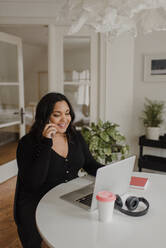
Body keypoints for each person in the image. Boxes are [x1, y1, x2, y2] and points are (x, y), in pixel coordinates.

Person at [14, 92, 103, 248]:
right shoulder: (27, 143)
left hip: (67, 197)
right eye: (57, 114)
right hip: (36, 203)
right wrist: (46, 143)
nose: (65, 119)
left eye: (67, 113)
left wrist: (111, 172)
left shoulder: (75, 136)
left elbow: (89, 164)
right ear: (45, 117)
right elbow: (33, 183)